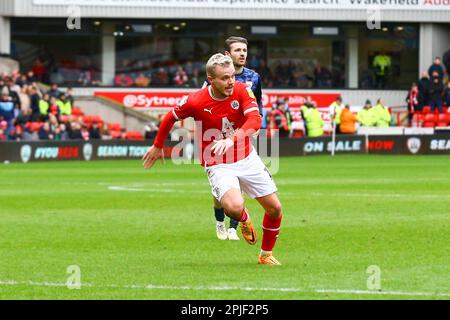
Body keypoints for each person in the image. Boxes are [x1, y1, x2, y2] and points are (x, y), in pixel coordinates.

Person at [142, 53, 283, 265]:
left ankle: (266, 255)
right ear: (210, 79)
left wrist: (232, 139)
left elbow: (255, 120)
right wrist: (158, 145)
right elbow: (170, 117)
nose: (230, 82)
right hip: (217, 162)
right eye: (224, 78)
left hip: (246, 157)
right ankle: (243, 219)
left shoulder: (242, 90)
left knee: (275, 209)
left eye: (231, 76)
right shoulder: (196, 100)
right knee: (234, 207)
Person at [203, 36, 264, 241]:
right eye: (238, 50)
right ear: (228, 55)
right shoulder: (214, 77)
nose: (243, 54)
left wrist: (257, 123)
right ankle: (220, 221)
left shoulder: (254, 77)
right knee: (222, 187)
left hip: (242, 134)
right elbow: (204, 104)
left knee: (240, 180)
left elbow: (259, 103)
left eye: (245, 50)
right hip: (217, 137)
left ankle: (233, 228)